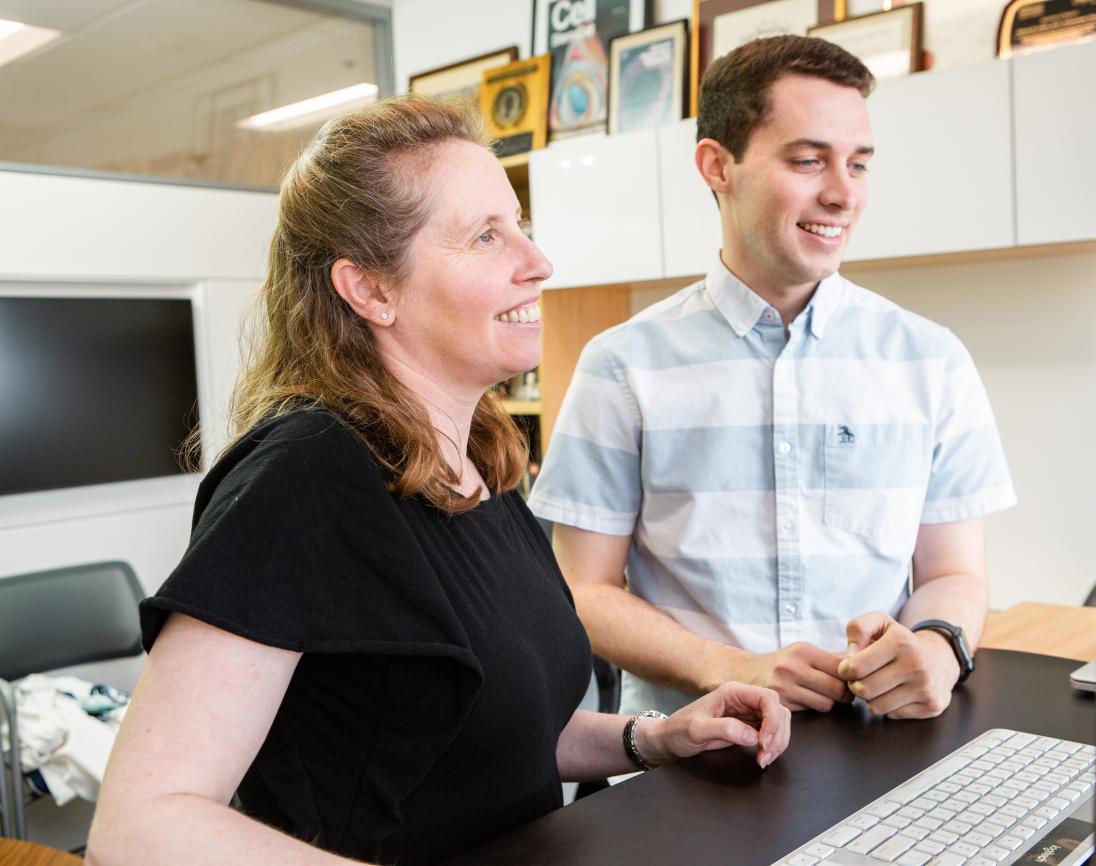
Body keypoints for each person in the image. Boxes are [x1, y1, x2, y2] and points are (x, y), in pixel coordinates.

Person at [85, 96, 790, 866]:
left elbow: (492, 738)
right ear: (371, 290)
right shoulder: (302, 477)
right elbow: (142, 827)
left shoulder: (478, 460)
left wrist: (653, 738)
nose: (537, 261)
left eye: (520, 224)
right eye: (486, 236)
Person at [529, 36, 1016, 721]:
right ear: (717, 167)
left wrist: (939, 645)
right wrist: (732, 670)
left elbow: (954, 573)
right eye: (809, 160)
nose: (844, 193)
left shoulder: (931, 360)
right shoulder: (622, 366)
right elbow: (584, 589)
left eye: (859, 164)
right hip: (689, 763)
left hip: (877, 750)